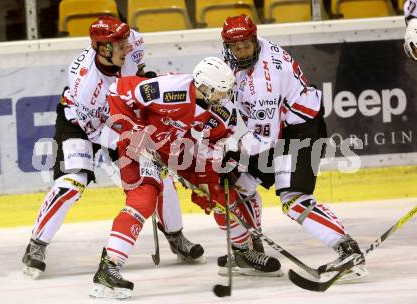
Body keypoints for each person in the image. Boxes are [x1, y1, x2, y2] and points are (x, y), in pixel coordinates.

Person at [22, 16, 203, 279]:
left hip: (120, 117)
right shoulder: (85, 83)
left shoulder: (133, 43)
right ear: (102, 48)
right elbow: (94, 130)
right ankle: (36, 245)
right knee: (72, 182)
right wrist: (132, 141)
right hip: (81, 125)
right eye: (118, 45)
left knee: (156, 176)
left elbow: (139, 74)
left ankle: (176, 236)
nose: (127, 48)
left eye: (125, 42)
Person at [89, 57, 281, 300]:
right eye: (222, 91)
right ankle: (109, 267)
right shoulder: (171, 89)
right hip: (143, 147)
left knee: (221, 192)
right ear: (206, 87)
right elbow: (117, 91)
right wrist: (134, 131)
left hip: (182, 152)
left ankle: (242, 251)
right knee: (144, 199)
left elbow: (215, 144)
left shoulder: (223, 111)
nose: (226, 96)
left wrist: (212, 173)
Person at [214, 14, 369, 281]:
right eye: (236, 46)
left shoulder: (265, 80)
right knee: (239, 183)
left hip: (301, 132)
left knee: (294, 199)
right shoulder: (234, 53)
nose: (241, 51)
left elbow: (265, 140)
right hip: (280, 128)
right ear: (228, 45)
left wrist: (232, 149)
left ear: (254, 39)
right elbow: (231, 96)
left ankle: (348, 251)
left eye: (246, 45)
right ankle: (247, 249)